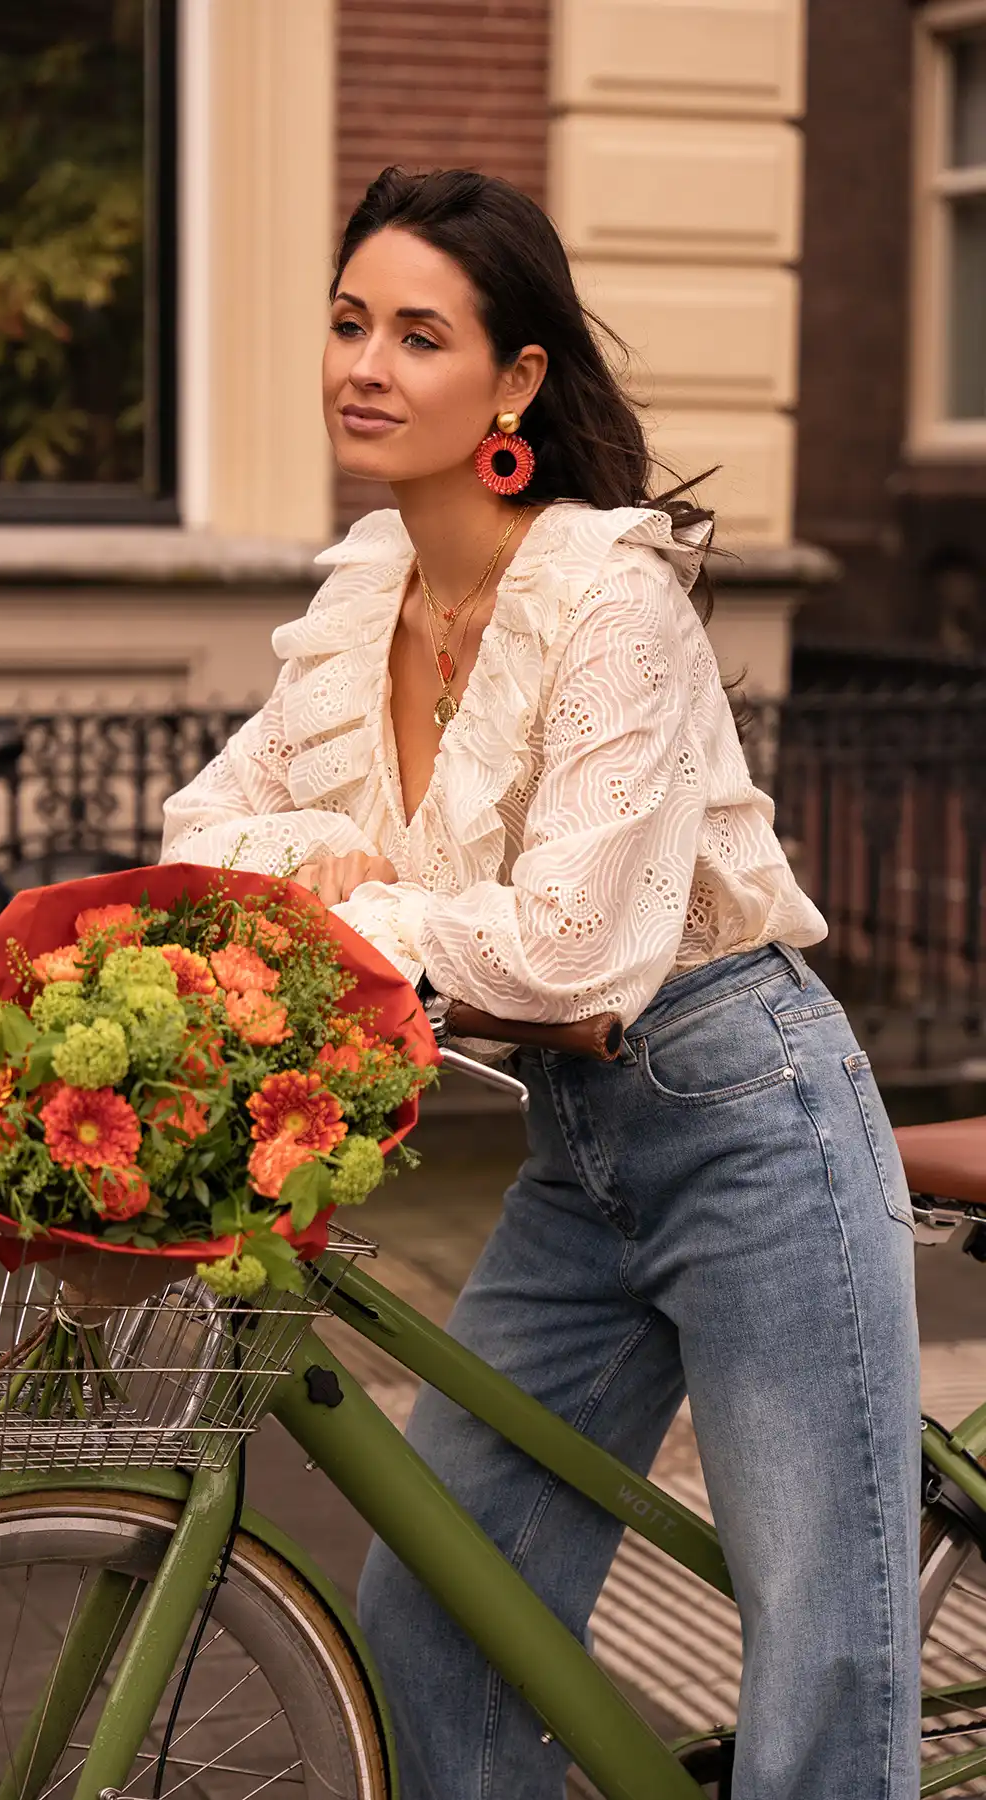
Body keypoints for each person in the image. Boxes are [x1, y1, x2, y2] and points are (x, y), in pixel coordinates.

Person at [160, 167, 920, 1800]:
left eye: (421, 334)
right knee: (442, 1605)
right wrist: (334, 860)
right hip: (574, 1140)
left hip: (751, 1119)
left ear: (514, 383)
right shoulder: (366, 595)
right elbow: (200, 827)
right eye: (352, 321)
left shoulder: (610, 600)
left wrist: (362, 897)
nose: (366, 361)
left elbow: (576, 943)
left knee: (822, 1641)